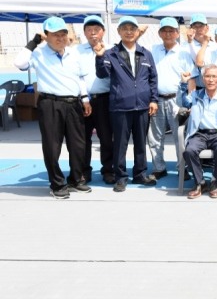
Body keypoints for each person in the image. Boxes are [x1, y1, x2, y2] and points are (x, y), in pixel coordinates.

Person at [14, 16, 92, 199]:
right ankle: (57, 184)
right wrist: (33, 42)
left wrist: (85, 99)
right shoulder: (38, 52)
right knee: (52, 145)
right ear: (46, 35)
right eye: (55, 34)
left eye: (63, 34)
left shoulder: (74, 53)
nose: (60, 38)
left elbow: (80, 78)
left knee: (78, 144)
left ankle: (75, 179)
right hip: (50, 104)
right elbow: (19, 64)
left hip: (74, 104)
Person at [94, 15, 158, 192]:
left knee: (140, 143)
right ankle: (121, 177)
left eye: (132, 29)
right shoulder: (111, 54)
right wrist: (99, 57)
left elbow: (153, 79)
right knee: (120, 144)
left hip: (143, 106)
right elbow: (102, 74)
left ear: (138, 32)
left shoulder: (146, 53)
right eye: (125, 28)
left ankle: (140, 173)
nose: (129, 32)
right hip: (120, 107)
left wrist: (153, 100)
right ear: (119, 31)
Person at [179, 64, 217, 199]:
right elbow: (184, 102)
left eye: (214, 76)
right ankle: (200, 182)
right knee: (189, 151)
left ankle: (215, 182)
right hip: (200, 133)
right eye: (207, 76)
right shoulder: (196, 95)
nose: (211, 79)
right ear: (203, 78)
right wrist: (184, 84)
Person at [148, 17, 198, 180]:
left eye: (171, 31)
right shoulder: (153, 50)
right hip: (156, 99)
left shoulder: (184, 52)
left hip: (176, 99)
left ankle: (181, 168)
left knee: (180, 136)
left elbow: (191, 79)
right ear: (159, 33)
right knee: (155, 137)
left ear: (177, 33)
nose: (168, 34)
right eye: (165, 30)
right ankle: (159, 167)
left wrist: (190, 101)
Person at [77, 15, 115, 184]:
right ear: (84, 32)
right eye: (89, 30)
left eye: (96, 30)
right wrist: (84, 98)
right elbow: (77, 77)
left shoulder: (112, 50)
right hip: (84, 100)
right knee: (83, 138)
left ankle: (108, 170)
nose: (93, 33)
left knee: (107, 138)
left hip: (106, 100)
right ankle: (84, 171)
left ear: (103, 32)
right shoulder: (76, 51)